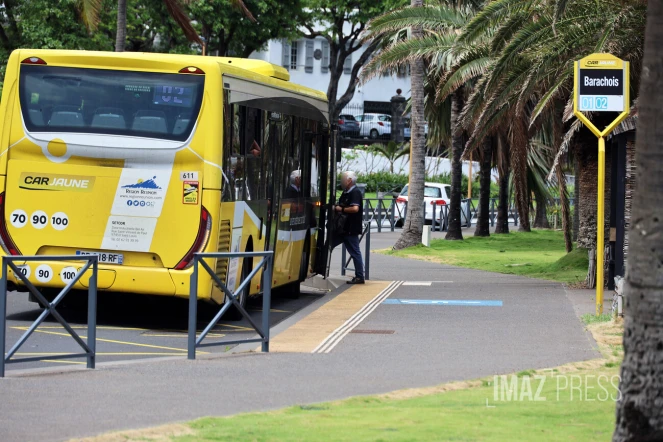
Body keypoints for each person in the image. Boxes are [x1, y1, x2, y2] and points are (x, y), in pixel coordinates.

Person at [334, 171, 364, 284]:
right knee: (328, 245)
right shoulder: (346, 192)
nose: (342, 181)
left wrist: (340, 209)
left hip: (350, 228)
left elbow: (355, 209)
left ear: (349, 180)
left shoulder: (355, 192)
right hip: (342, 228)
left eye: (343, 179)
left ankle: (360, 276)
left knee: (355, 252)